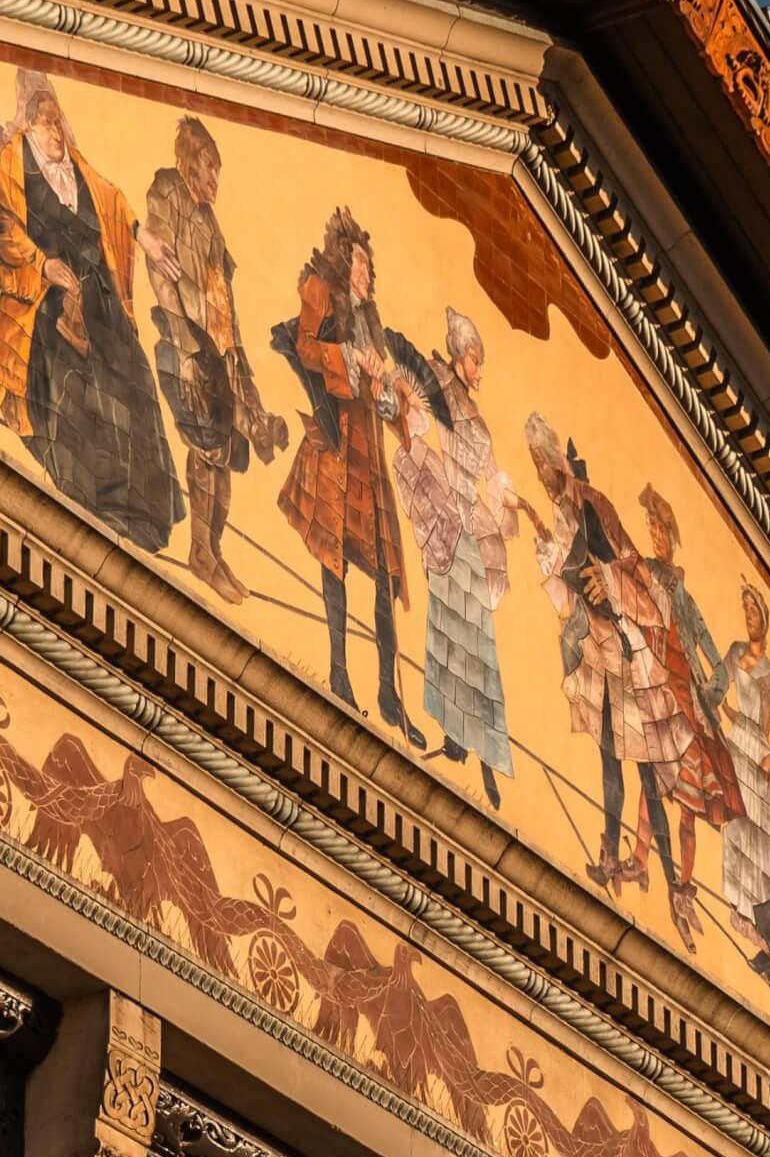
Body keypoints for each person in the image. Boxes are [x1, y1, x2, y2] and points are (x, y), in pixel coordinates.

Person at [0, 82, 181, 550]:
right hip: (46, 298)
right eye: (47, 122)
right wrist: (43, 265)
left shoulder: (76, 165)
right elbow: (6, 227)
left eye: (59, 121)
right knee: (80, 389)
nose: (56, 131)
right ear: (30, 123)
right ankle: (95, 502)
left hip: (99, 296)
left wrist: (141, 237)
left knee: (135, 387)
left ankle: (145, 514)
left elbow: (111, 200)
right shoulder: (15, 159)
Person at [524, 417, 694, 922]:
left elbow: (630, 568)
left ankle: (672, 884)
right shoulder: (564, 511)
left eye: (543, 465)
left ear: (557, 460)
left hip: (626, 649)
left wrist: (604, 581)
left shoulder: (594, 503)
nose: (541, 476)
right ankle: (607, 856)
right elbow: (568, 570)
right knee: (607, 758)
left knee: (646, 775)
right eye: (535, 467)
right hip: (600, 645)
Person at [273, 209, 421, 740]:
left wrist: (385, 390)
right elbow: (305, 346)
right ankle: (338, 673)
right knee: (333, 558)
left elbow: (383, 401)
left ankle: (387, 691)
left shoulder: (371, 318)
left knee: (384, 570)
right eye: (360, 262)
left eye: (368, 266)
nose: (366, 273)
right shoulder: (320, 289)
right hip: (336, 443)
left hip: (369, 452)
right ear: (344, 258)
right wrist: (350, 362)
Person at [138, 115, 286, 603]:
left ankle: (212, 551)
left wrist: (242, 373)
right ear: (189, 162)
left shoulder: (211, 225)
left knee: (223, 462)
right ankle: (201, 551)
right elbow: (161, 270)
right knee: (205, 450)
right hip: (187, 344)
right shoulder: (169, 192)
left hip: (221, 354)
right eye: (208, 166)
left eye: (217, 168)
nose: (215, 178)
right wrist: (184, 342)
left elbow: (225, 300)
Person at [388, 309, 521, 805]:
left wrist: (509, 502)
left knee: (479, 641)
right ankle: (453, 739)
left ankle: (486, 754)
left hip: (469, 525)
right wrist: (400, 402)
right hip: (446, 524)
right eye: (474, 358)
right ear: (459, 354)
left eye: (480, 361)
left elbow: (493, 475)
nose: (479, 369)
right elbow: (410, 418)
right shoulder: (437, 383)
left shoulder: (479, 422)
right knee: (446, 628)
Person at [632, 489, 742, 943]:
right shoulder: (645, 575)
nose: (657, 536)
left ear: (673, 538)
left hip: (687, 702)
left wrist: (709, 695)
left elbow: (717, 661)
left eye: (663, 530)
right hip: (657, 686)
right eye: (653, 528)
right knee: (652, 781)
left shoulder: (686, 598)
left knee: (689, 809)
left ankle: (684, 890)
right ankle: (639, 859)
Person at [715, 582, 770, 960]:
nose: (749, 617)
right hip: (738, 748)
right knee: (735, 831)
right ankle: (746, 921)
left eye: (754, 611)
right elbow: (716, 687)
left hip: (760, 763)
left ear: (765, 620)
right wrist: (720, 712)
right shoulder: (734, 653)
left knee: (761, 850)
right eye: (745, 609)